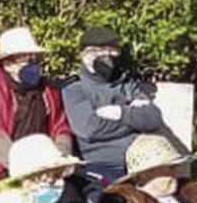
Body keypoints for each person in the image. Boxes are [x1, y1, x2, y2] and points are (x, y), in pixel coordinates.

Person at [0, 26, 76, 189]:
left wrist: (60, 156)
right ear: (8, 63)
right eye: (27, 61)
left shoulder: (47, 90)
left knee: (72, 200)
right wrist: (24, 165)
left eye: (36, 60)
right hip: (2, 166)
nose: (34, 66)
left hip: (46, 166)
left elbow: (60, 127)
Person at [61, 26, 166, 185]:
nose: (105, 56)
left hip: (143, 161)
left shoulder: (126, 83)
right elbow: (90, 129)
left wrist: (121, 113)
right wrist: (135, 121)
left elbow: (153, 118)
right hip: (102, 166)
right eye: (96, 51)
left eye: (111, 50)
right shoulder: (75, 88)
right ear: (83, 55)